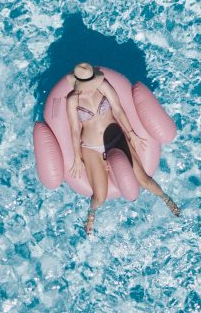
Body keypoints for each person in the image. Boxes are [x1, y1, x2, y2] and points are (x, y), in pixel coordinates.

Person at [66, 62, 180, 235]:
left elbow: (118, 110)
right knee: (100, 197)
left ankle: (167, 199)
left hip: (116, 139)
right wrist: (76, 157)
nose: (89, 88)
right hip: (91, 147)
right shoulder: (72, 99)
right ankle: (91, 213)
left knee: (144, 180)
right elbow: (75, 129)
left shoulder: (103, 85)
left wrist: (131, 133)